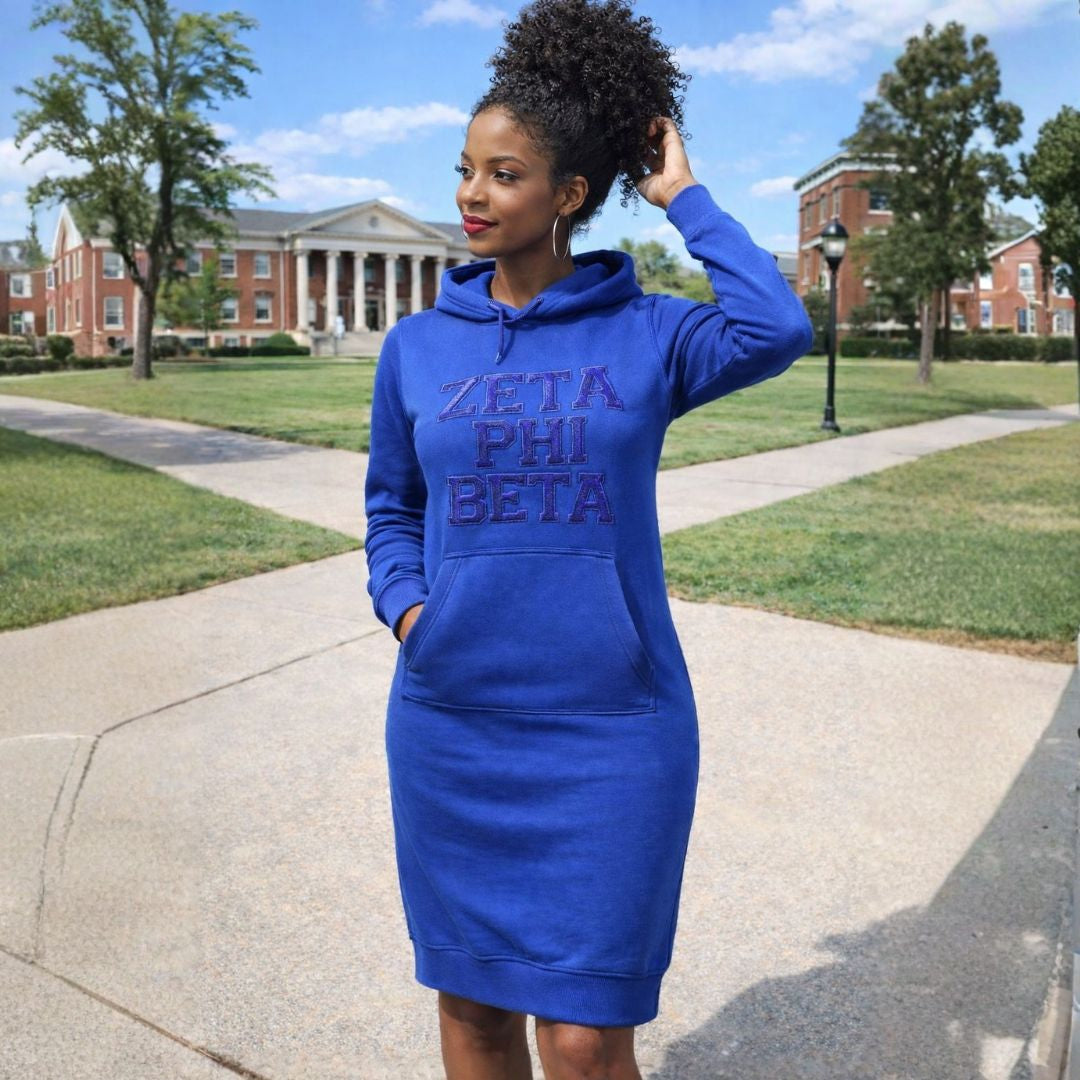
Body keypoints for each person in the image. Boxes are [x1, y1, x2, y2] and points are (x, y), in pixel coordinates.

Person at [362, 1, 813, 1076]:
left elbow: (777, 325)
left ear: (569, 193)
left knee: (583, 1038)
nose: (472, 195)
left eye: (504, 174)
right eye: (466, 170)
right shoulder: (417, 347)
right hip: (453, 721)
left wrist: (682, 194)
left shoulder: (649, 331)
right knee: (473, 1011)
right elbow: (391, 508)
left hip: (614, 730)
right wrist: (412, 613)